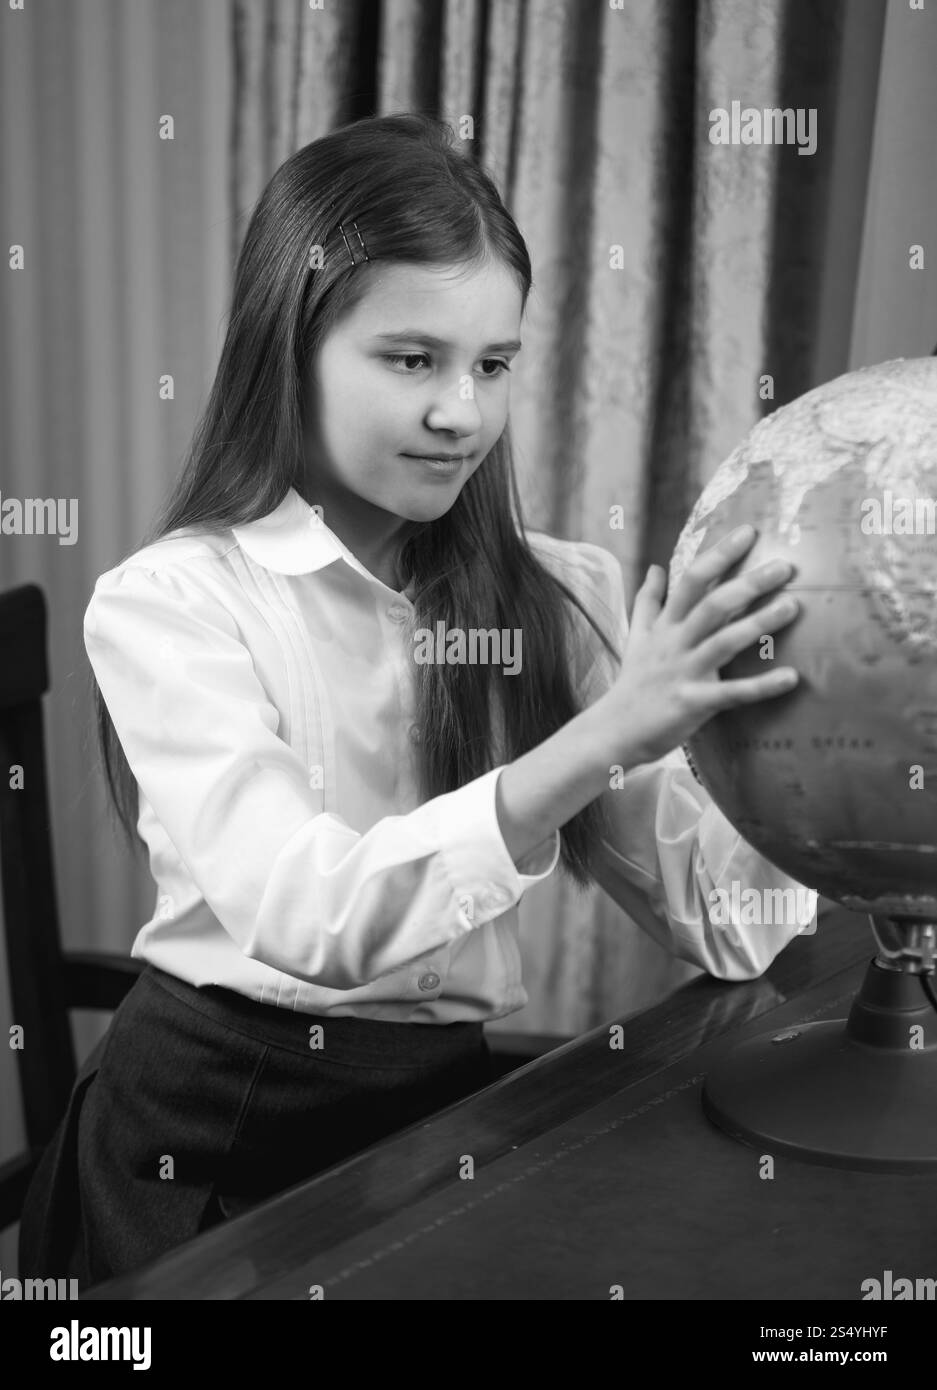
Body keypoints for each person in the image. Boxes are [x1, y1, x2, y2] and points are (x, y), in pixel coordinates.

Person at [18, 112, 809, 1289]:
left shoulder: (559, 597)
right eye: (411, 359)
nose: (463, 414)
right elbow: (307, 916)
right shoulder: (172, 600)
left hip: (438, 1120)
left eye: (493, 364)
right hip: (214, 1138)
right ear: (288, 347)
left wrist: (742, 730)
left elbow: (739, 934)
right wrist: (603, 737)